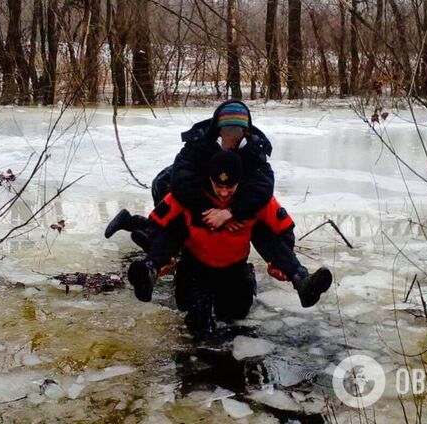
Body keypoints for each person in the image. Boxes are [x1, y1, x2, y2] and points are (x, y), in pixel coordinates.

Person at [128, 151, 333, 339]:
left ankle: (301, 279)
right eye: (219, 186)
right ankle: (150, 270)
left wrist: (279, 263)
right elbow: (156, 223)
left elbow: (284, 229)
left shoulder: (254, 199)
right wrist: (165, 259)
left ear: (240, 182)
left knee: (233, 318)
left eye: (230, 187)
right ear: (210, 179)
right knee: (198, 326)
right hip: (195, 268)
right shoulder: (189, 195)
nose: (224, 193)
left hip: (233, 269)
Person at [105, 100, 306, 285]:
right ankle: (142, 234)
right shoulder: (200, 142)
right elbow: (182, 181)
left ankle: (135, 225)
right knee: (175, 222)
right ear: (218, 131)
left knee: (247, 219)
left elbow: (263, 187)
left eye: (238, 132)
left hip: (221, 196)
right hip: (178, 185)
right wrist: (211, 212)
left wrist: (232, 212)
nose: (232, 138)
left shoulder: (253, 148)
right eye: (228, 131)